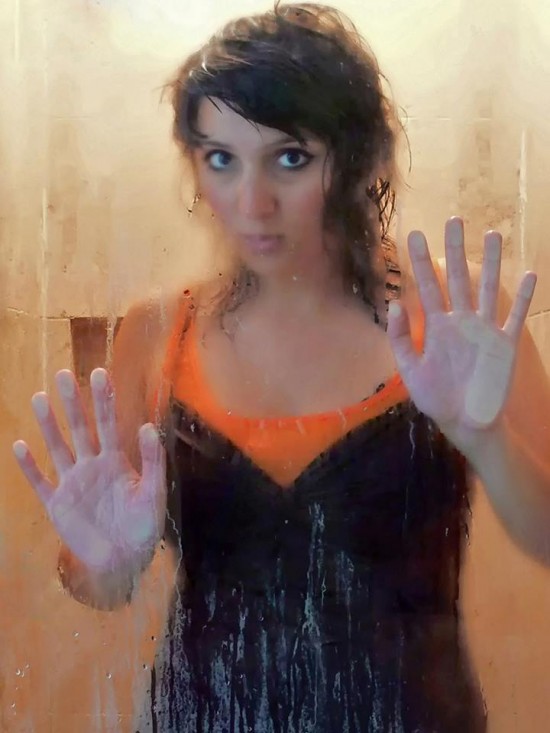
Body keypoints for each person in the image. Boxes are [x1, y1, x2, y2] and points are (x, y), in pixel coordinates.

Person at [12, 2, 550, 731]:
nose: (252, 202)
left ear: (357, 159)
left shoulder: (459, 322)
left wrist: (484, 437)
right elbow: (97, 588)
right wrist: (107, 560)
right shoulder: (157, 333)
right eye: (221, 159)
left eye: (290, 158)